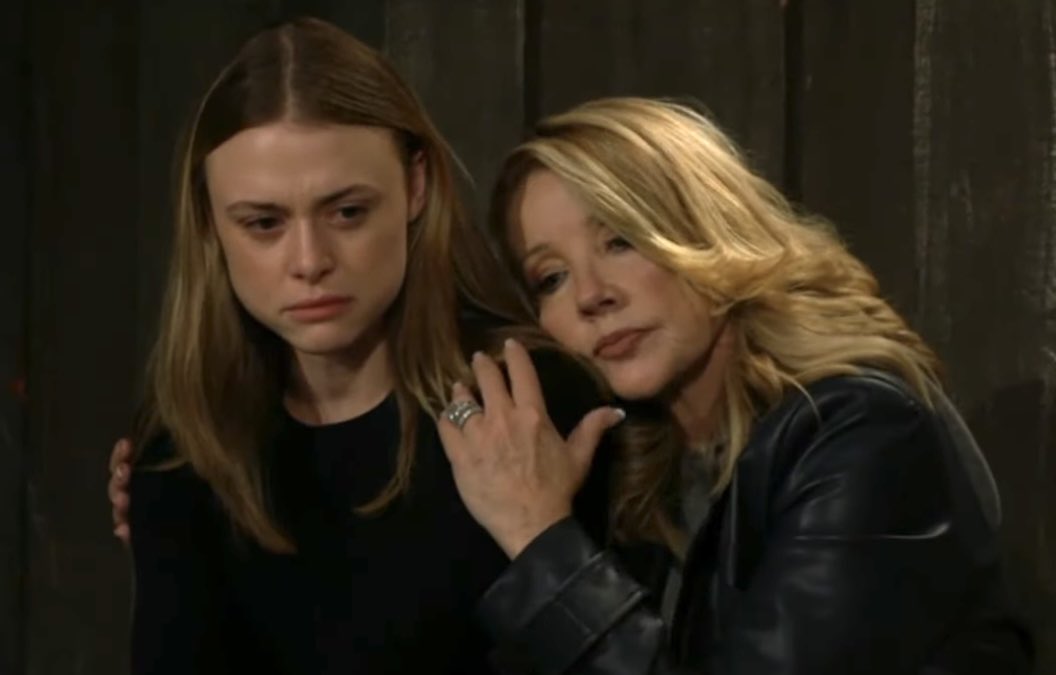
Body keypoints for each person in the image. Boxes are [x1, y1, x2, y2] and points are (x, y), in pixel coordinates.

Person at [430, 97, 1035, 673]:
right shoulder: (638, 470)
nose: (591, 295)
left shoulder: (864, 432)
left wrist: (539, 535)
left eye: (620, 241)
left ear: (708, 231)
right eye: (551, 278)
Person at [117, 17, 630, 674]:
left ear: (415, 186)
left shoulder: (525, 404)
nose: (310, 261)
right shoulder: (185, 447)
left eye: (347, 212)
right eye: (264, 223)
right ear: (210, 221)